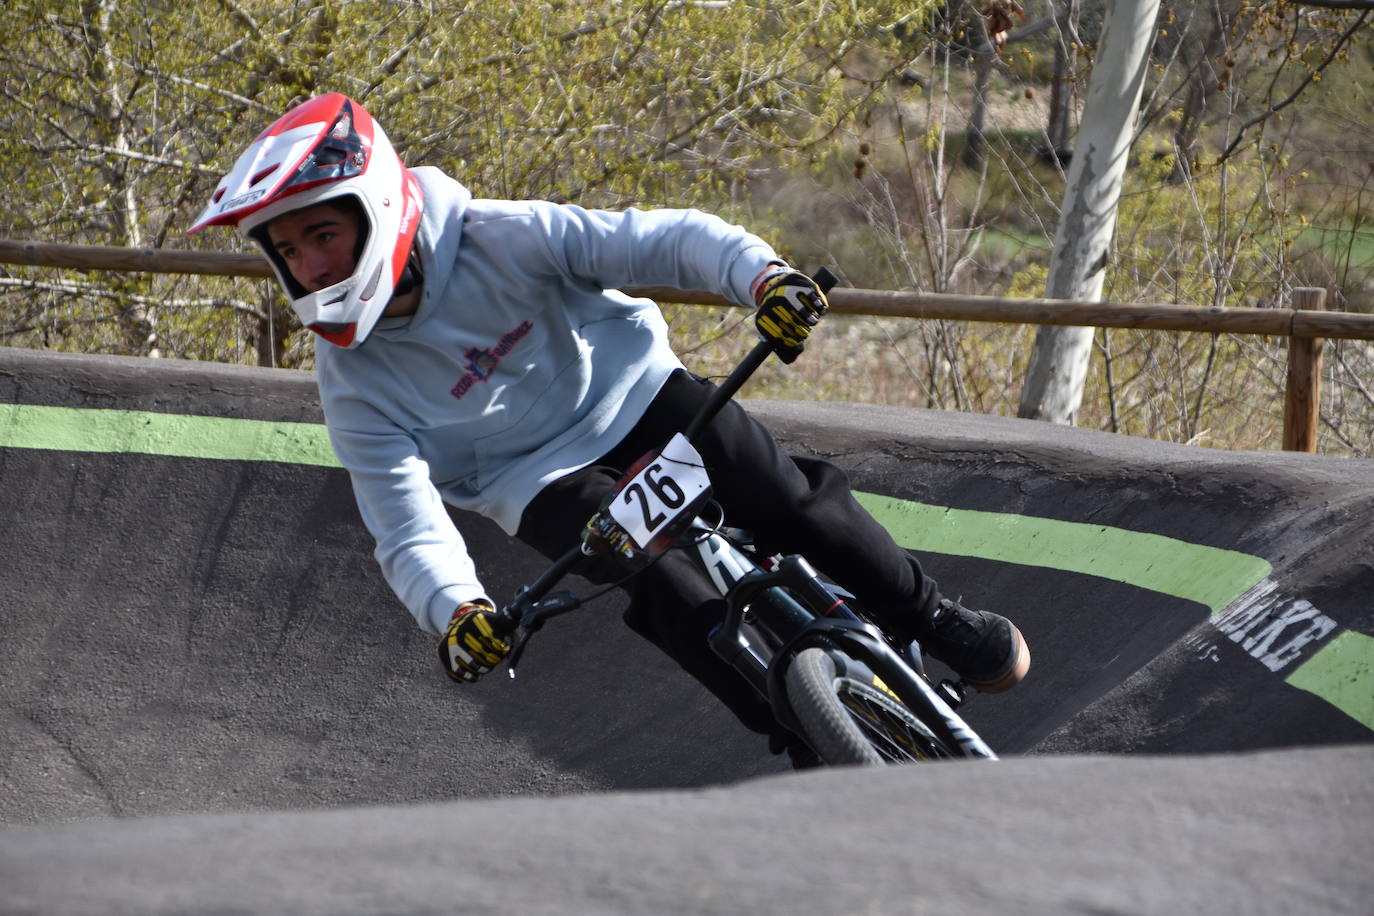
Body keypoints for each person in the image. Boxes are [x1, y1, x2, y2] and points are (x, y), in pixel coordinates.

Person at [188, 93, 1029, 761]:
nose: (311, 267)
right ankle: (808, 736)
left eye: (324, 235)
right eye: (289, 252)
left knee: (786, 499)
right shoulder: (352, 380)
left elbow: (660, 242)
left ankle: (933, 618)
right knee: (664, 590)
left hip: (639, 394)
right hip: (541, 483)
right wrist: (456, 612)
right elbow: (403, 524)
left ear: (376, 207)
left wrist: (761, 279)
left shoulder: (500, 237)